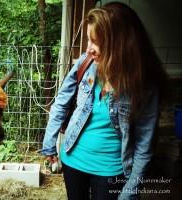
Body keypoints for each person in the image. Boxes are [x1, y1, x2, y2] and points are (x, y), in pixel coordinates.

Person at [40, 2, 169, 200]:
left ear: (120, 45)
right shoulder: (86, 63)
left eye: (96, 42)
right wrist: (49, 142)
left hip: (111, 172)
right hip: (72, 160)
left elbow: (145, 145)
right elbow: (61, 102)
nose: (88, 49)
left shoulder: (144, 85)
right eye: (88, 40)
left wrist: (130, 191)